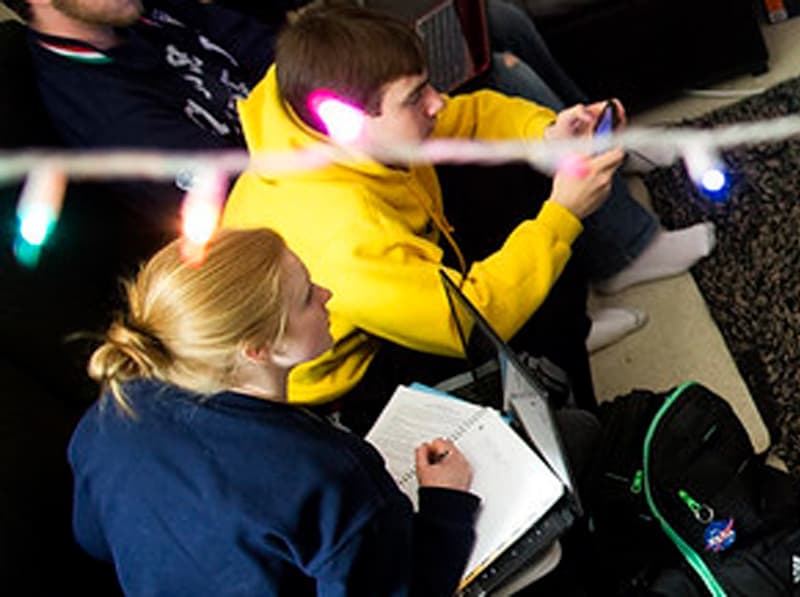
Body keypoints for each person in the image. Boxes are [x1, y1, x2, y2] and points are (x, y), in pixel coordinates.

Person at [13, 0, 711, 296]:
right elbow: (229, 189)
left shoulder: (147, 15)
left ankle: (606, 142)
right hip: (308, 180)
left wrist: (354, 69)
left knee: (490, 21)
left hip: (327, 110)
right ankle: (623, 248)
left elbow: (277, 51)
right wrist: (363, 113)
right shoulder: (92, 101)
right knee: (498, 78)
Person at [219, 3, 614, 428]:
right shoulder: (345, 234)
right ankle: (578, 420)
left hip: (401, 278)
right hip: (352, 375)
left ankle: (568, 365)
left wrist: (544, 132)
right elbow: (472, 319)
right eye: (414, 98)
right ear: (343, 121)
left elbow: (465, 117)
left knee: (532, 220)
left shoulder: (311, 108)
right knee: (546, 275)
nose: (438, 102)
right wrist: (564, 213)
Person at [70, 228, 480, 595]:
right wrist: (445, 504)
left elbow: (93, 540)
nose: (325, 295)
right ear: (258, 349)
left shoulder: (108, 418)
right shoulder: (330, 475)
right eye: (305, 298)